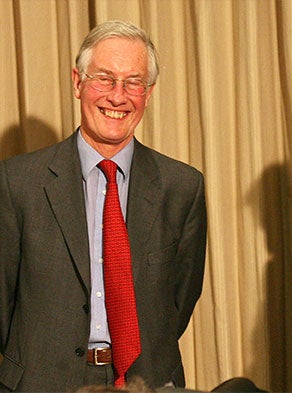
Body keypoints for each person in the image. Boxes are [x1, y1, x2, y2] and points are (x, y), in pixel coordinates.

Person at [0, 20, 207, 392]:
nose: (118, 96)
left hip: (147, 381)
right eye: (105, 79)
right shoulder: (17, 182)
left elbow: (179, 299)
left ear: (149, 92)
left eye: (133, 82)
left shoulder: (182, 186)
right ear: (78, 82)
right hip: (40, 382)